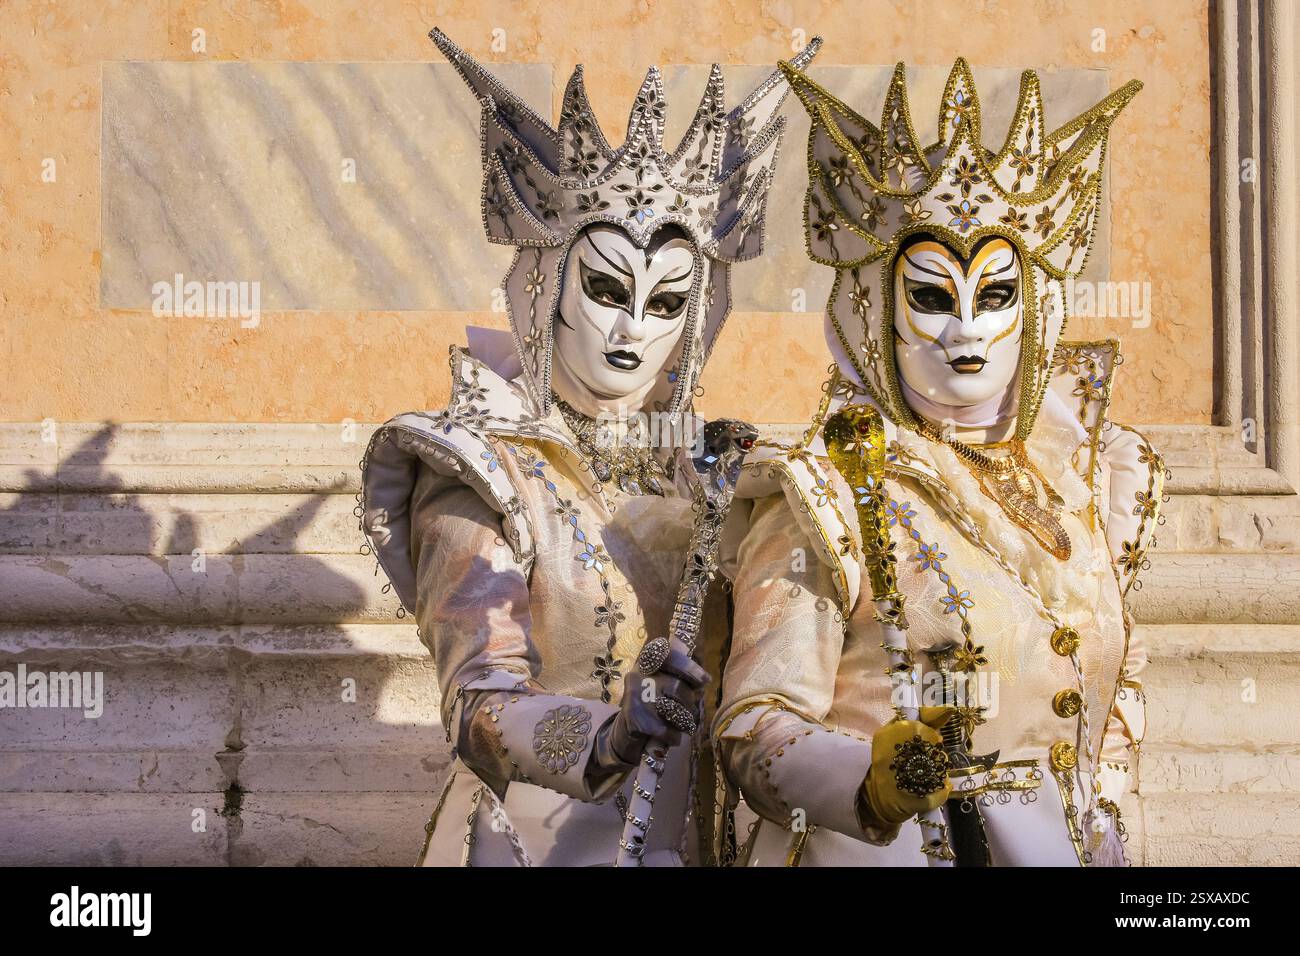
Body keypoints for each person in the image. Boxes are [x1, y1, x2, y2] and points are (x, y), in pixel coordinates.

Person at [360, 28, 819, 866]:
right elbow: (478, 700)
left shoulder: (715, 472)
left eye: (665, 299)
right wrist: (606, 737)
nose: (632, 328)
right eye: (607, 289)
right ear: (548, 281)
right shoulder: (480, 467)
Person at [714, 58, 1164, 866]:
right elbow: (754, 726)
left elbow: (1114, 685)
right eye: (930, 297)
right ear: (874, 309)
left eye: (994, 299)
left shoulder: (1082, 481)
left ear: (1035, 307)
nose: (965, 335)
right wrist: (869, 783)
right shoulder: (827, 493)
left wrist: (1096, 809)